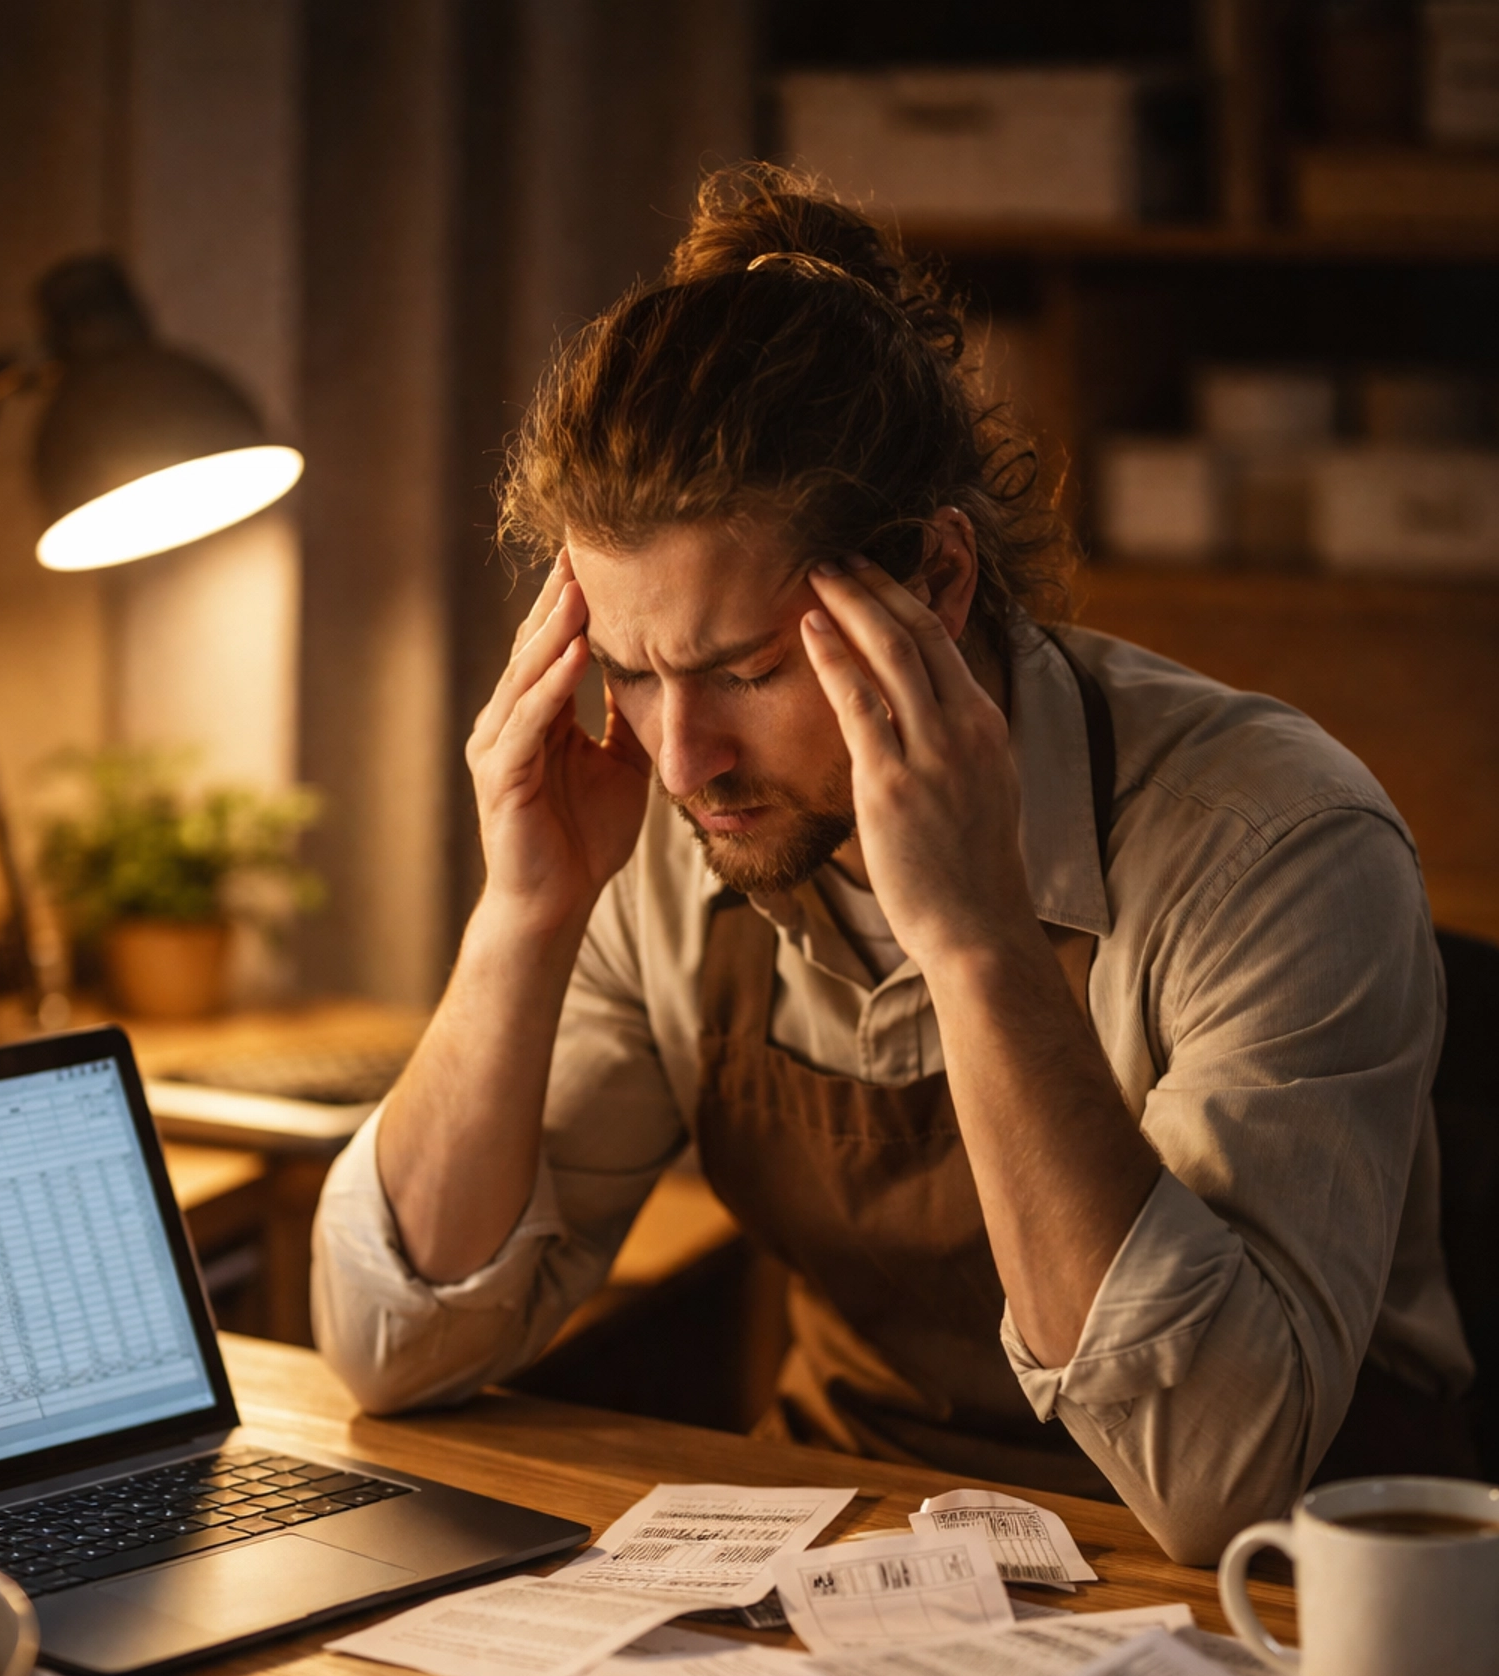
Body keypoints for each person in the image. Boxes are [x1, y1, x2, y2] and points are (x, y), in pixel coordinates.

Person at [312, 165, 1472, 1566]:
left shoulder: (1273, 844)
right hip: (860, 1565)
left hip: (1266, 1599)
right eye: (626, 670)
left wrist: (979, 937)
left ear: (935, 582)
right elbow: (391, 1346)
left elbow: (1218, 1471)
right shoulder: (664, 834)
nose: (680, 761)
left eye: (743, 670)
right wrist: (526, 911)